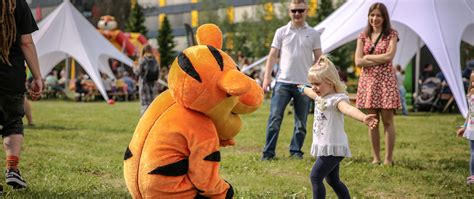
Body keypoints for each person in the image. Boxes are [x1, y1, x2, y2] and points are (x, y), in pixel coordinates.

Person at [298, 56, 378, 198]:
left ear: (330, 82)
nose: (314, 87)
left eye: (317, 83)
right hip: (327, 146)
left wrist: (363, 117)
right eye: (312, 83)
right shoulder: (320, 95)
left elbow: (348, 109)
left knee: (315, 177)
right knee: (333, 180)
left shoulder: (337, 99)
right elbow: (311, 92)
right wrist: (303, 88)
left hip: (333, 146)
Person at [260, 0, 322, 160]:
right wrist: (267, 77)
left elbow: (319, 58)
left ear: (306, 11)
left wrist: (316, 80)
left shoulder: (314, 34)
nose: (297, 14)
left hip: (304, 84)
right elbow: (272, 55)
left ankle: (296, 152)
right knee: (274, 118)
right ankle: (268, 153)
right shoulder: (281, 31)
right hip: (282, 83)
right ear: (289, 12)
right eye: (294, 11)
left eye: (300, 10)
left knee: (301, 122)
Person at [0, 0, 42, 189]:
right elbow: (26, 42)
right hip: (11, 74)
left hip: (11, 75)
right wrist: (38, 76)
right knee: (12, 122)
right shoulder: (17, 3)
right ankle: (12, 168)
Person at [354, 2, 399, 166]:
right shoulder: (362, 36)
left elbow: (389, 57)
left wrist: (368, 58)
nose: (375, 18)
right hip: (369, 83)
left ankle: (388, 158)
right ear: (368, 17)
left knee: (388, 121)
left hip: (386, 83)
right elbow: (358, 61)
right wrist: (369, 60)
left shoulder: (392, 34)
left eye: (378, 15)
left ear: (384, 17)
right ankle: (376, 157)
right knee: (372, 121)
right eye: (372, 15)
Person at [456, 71, 474, 185]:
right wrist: (464, 126)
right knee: (473, 152)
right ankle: (473, 175)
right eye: (472, 81)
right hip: (472, 129)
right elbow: (470, 113)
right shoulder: (471, 96)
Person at [134, 44, 159, 115]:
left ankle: (145, 120)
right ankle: (153, 117)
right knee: (152, 103)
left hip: (144, 83)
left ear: (144, 50)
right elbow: (158, 71)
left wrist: (134, 66)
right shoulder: (154, 59)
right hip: (153, 83)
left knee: (145, 103)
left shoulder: (142, 59)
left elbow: (137, 72)